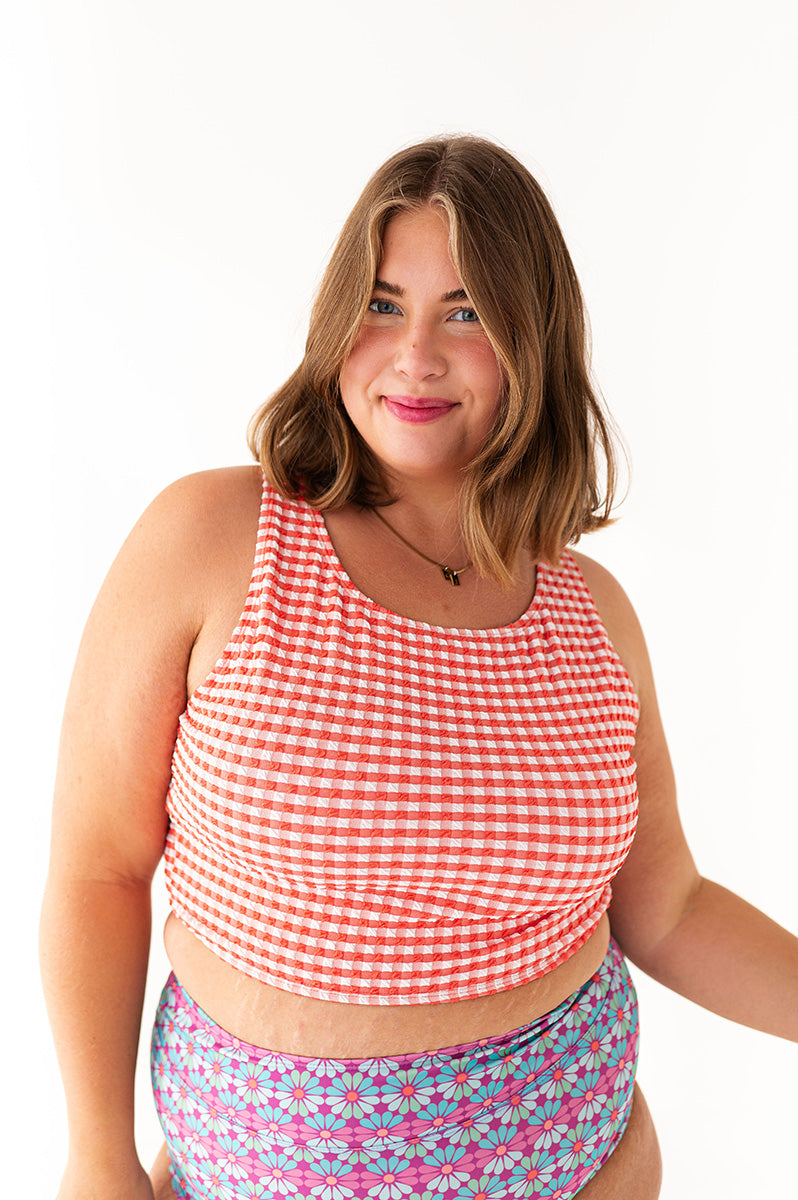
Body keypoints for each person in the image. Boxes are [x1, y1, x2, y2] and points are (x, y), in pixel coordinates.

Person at [40, 135, 798, 1200]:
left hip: (584, 1166)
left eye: (468, 313)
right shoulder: (216, 539)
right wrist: (96, 1160)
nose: (416, 357)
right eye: (383, 304)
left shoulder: (591, 615)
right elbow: (99, 871)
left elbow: (667, 909)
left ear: (533, 341)